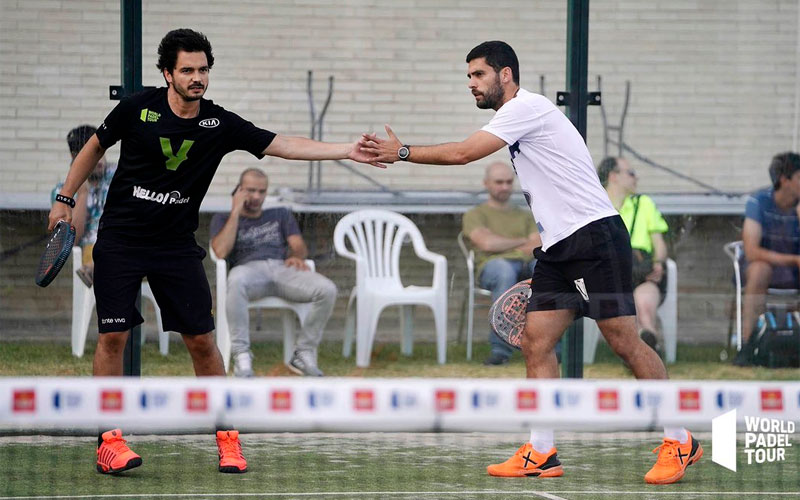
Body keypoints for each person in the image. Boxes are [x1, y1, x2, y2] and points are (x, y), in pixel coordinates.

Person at [359, 40, 701, 485]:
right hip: (559, 247)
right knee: (536, 343)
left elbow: (464, 153)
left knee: (624, 341)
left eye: (478, 75)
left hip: (595, 237)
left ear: (505, 75)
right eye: (468, 77)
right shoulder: (518, 117)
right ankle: (541, 452)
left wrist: (402, 152)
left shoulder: (526, 108)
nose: (471, 84)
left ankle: (680, 439)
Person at [47, 28, 380, 476]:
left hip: (176, 248)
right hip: (121, 242)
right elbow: (94, 147)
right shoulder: (134, 109)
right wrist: (65, 197)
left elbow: (282, 143)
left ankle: (227, 438)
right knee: (112, 338)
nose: (197, 77)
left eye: (203, 69)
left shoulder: (219, 124)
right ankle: (109, 440)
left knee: (202, 341)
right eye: (187, 70)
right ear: (167, 73)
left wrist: (347, 151)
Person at [210, 168, 337, 378]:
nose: (257, 197)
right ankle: (241, 356)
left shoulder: (279, 214)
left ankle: (303, 352)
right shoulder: (223, 218)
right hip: (248, 272)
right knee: (236, 280)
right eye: (251, 191)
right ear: (239, 191)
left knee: (327, 289)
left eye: (262, 191)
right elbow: (221, 251)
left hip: (282, 269)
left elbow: (298, 246)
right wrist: (235, 211)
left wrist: (297, 254)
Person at [463, 161, 540, 365]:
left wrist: (502, 243)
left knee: (547, 271)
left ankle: (549, 347)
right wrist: (522, 242)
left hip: (527, 265)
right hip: (493, 266)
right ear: (486, 183)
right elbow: (486, 243)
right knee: (505, 271)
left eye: (508, 182)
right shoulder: (475, 215)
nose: (505, 187)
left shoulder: (525, 215)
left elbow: (539, 243)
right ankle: (501, 351)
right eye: (499, 182)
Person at [734, 152, 800, 366]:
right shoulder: (759, 202)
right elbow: (752, 252)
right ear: (785, 180)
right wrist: (792, 259)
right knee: (761, 269)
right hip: (763, 269)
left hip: (792, 271)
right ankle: (748, 345)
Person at [597, 156, 668, 354]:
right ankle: (647, 349)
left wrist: (659, 263)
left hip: (643, 272)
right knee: (626, 306)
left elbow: (659, 243)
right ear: (613, 176)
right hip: (610, 276)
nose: (636, 178)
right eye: (631, 173)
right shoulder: (595, 204)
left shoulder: (644, 203)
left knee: (643, 305)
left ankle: (646, 340)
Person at [51, 125, 116, 288]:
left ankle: (94, 267)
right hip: (93, 250)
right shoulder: (62, 192)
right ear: (77, 157)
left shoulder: (118, 174)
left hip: (125, 241)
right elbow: (71, 241)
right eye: (94, 155)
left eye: (101, 152)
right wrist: (82, 193)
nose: (100, 160)